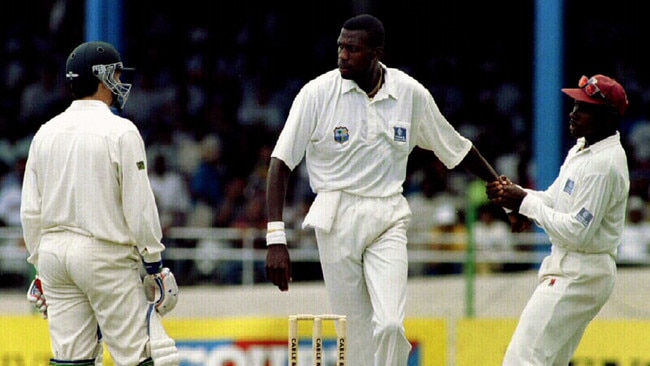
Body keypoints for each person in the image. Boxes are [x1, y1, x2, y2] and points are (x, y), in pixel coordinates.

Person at [265, 14, 501, 365]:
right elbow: (280, 163)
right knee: (356, 334)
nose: (342, 55)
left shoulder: (408, 93)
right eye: (340, 47)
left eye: (353, 49)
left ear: (377, 53)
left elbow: (456, 146)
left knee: (390, 324)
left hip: (388, 216)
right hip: (335, 218)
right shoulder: (316, 94)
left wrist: (499, 185)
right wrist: (275, 239)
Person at [21, 41, 179, 366]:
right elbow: (139, 206)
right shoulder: (121, 130)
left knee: (71, 359)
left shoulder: (44, 133)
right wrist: (154, 263)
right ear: (102, 76)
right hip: (102, 256)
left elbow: (30, 210)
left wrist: (39, 266)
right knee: (140, 355)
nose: (120, 82)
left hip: (53, 257)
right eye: (117, 74)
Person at [487, 74, 630, 365]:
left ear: (608, 116)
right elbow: (553, 199)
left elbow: (578, 232)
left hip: (581, 270)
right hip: (575, 267)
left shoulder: (604, 164)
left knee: (521, 359)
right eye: (575, 105)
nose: (573, 113)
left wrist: (524, 202)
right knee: (548, 360)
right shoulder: (582, 148)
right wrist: (515, 196)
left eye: (584, 108)